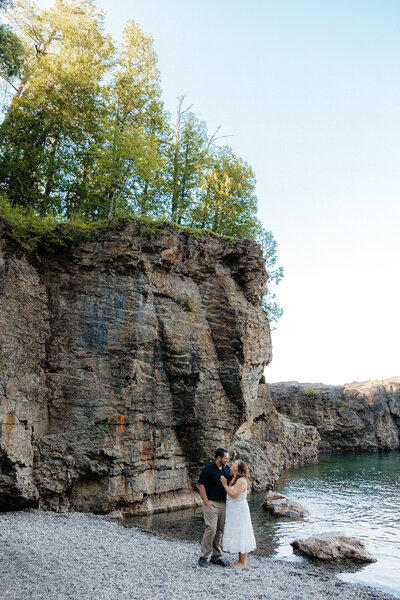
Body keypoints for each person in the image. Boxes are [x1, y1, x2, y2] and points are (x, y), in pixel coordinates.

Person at [197, 447, 233, 567]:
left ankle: (216, 556)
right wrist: (206, 501)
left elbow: (231, 482)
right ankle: (204, 556)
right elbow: (200, 485)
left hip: (223, 504)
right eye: (226, 458)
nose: (227, 460)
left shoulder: (227, 469)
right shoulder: (208, 469)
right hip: (211, 503)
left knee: (220, 530)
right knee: (211, 528)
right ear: (219, 458)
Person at [220, 459, 256, 567]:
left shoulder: (241, 480)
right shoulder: (235, 478)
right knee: (237, 532)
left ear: (239, 468)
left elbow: (234, 495)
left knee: (242, 532)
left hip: (240, 510)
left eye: (235, 463)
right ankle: (240, 560)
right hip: (233, 509)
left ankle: (242, 562)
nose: (232, 464)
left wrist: (225, 484)